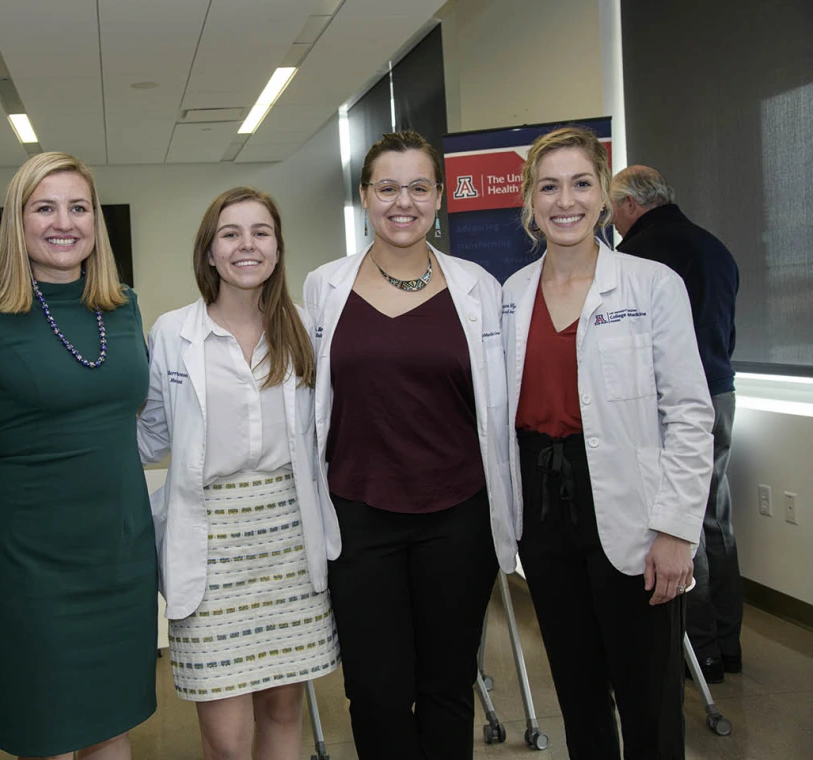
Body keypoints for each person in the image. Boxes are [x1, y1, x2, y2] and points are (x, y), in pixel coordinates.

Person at [303, 130, 517, 759]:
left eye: (419, 187)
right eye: (388, 187)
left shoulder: (478, 287)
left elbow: (498, 406)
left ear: (440, 197)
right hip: (358, 515)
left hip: (458, 516)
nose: (404, 202)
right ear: (365, 197)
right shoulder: (325, 287)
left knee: (447, 685)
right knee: (374, 691)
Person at [502, 127, 714, 759]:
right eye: (549, 187)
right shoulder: (509, 297)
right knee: (578, 691)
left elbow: (690, 414)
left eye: (581, 184)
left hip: (633, 509)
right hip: (543, 511)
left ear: (603, 197)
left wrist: (676, 531)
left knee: (648, 698)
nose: (565, 200)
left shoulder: (652, 286)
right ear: (530, 202)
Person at [0, 151, 156, 760]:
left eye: (78, 207)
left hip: (119, 546)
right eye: (44, 207)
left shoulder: (122, 304)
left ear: (96, 221)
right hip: (31, 558)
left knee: (111, 720)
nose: (63, 222)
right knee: (47, 729)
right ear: (19, 221)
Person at [138, 187, 340, 759]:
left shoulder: (305, 329)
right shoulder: (172, 334)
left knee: (283, 713)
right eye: (230, 233)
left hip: (288, 542)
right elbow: (151, 437)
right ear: (209, 252)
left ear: (277, 249)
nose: (246, 245)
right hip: (211, 549)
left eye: (260, 232)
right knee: (225, 739)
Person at [610, 165, 741, 683]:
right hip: (722, 394)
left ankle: (702, 650)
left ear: (627, 206)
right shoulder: (715, 247)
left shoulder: (635, 260)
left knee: (678, 521)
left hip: (674, 405)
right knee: (715, 520)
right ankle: (728, 644)